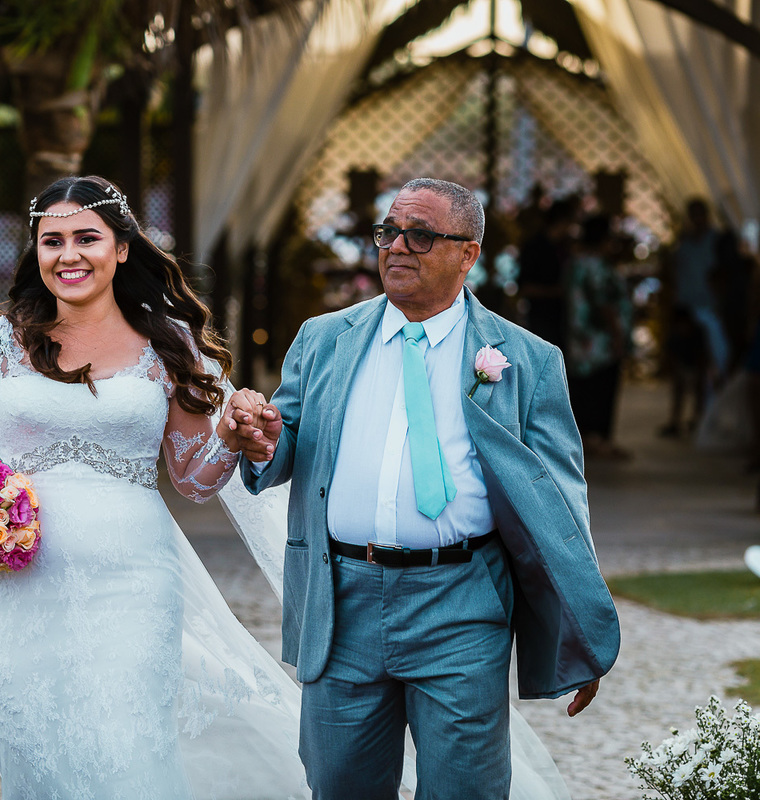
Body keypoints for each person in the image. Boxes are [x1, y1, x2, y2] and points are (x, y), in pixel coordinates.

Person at [234, 178, 620, 799]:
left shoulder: (526, 360)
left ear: (468, 254)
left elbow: (560, 503)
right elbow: (285, 442)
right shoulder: (323, 338)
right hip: (340, 600)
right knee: (339, 786)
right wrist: (262, 441)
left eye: (419, 235)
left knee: (465, 789)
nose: (396, 247)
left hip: (461, 601)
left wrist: (582, 626)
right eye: (389, 232)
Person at [0, 176, 309, 798]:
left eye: (87, 238)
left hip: (132, 583)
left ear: (123, 248)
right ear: (37, 251)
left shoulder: (167, 343)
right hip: (19, 587)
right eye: (52, 241)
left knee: (126, 748)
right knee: (35, 750)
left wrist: (232, 438)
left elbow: (193, 480)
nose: (69, 255)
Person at [566, 214, 632, 460]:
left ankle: (587, 439)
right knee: (602, 387)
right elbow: (604, 303)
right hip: (599, 340)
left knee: (583, 387)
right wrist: (617, 335)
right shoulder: (598, 267)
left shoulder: (576, 263)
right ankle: (598, 440)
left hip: (580, 337)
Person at [661, 198, 729, 436]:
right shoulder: (684, 244)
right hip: (685, 311)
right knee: (679, 368)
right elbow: (674, 275)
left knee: (705, 367)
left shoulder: (716, 242)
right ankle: (676, 418)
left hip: (709, 309)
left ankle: (701, 416)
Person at [517, 197, 577, 350]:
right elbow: (525, 288)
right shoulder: (535, 248)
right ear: (562, 221)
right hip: (541, 320)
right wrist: (557, 291)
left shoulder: (564, 248)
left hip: (561, 321)